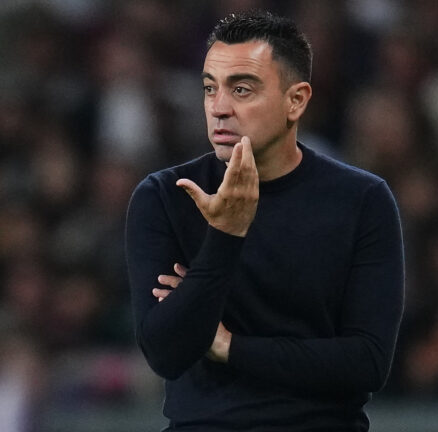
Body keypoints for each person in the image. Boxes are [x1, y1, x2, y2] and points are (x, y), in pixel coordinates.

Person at [125, 10, 404, 431]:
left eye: (241, 89)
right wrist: (225, 233)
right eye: (209, 89)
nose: (219, 108)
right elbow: (166, 352)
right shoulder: (165, 196)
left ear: (296, 100)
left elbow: (367, 363)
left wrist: (228, 346)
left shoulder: (362, 200)